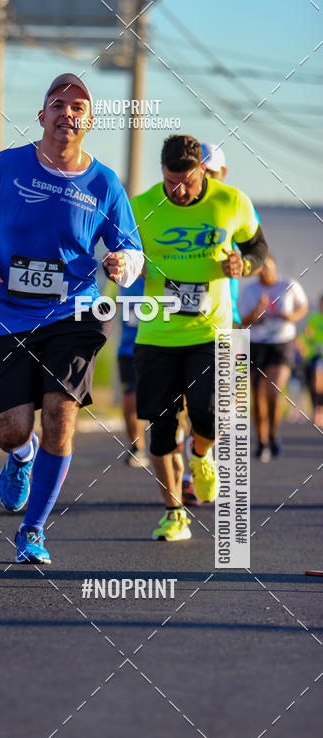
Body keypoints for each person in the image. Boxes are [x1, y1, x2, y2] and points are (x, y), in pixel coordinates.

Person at [0, 73, 143, 564]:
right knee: (12, 429)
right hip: (6, 311)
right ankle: (21, 456)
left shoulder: (105, 183)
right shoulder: (7, 166)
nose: (68, 112)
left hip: (76, 311)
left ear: (89, 122)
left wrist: (121, 265)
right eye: (58, 104)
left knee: (61, 417)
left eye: (78, 106)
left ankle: (33, 530)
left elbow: (132, 252)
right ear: (42, 116)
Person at [132, 133, 268, 541]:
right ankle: (174, 513)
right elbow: (121, 256)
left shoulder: (231, 201)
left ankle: (200, 455)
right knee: (160, 431)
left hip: (212, 331)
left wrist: (243, 263)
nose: (178, 190)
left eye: (187, 182)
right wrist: (125, 266)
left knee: (210, 416)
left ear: (202, 173)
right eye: (171, 181)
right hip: (157, 331)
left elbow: (259, 249)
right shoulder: (142, 206)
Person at [239, 254, 308, 459]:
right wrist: (256, 312)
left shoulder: (289, 285)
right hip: (256, 343)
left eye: (268, 267)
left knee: (272, 391)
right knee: (257, 397)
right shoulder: (249, 291)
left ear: (275, 267)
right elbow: (242, 321)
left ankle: (274, 434)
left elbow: (302, 307)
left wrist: (291, 317)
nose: (265, 272)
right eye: (261, 268)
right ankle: (261, 440)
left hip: (281, 343)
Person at [112, 275, 149, 467]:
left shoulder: (160, 269)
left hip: (156, 347)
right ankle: (137, 446)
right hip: (130, 348)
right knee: (130, 396)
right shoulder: (127, 272)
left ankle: (140, 447)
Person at [300, 294, 323, 427]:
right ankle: (317, 410)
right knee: (314, 381)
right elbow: (306, 335)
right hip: (315, 356)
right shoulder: (314, 318)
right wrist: (303, 345)